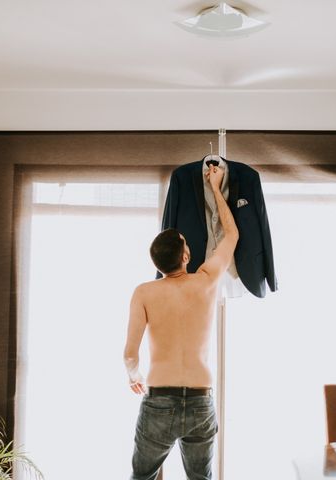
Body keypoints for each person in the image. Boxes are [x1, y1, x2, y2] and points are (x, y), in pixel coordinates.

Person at [123, 165, 239, 480]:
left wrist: (134, 375)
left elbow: (130, 354)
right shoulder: (205, 281)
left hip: (160, 399)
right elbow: (231, 234)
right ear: (185, 256)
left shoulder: (144, 292)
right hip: (201, 399)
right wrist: (216, 187)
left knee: (142, 477)